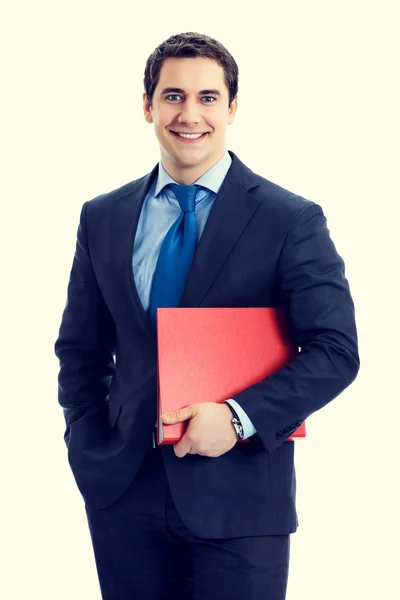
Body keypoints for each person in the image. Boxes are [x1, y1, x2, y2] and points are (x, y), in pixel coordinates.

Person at [54, 31, 359, 600]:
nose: (189, 114)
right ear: (147, 106)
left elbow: (335, 351)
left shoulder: (289, 219)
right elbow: (80, 350)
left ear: (232, 108)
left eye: (207, 98)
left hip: (241, 501)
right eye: (172, 96)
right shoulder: (103, 217)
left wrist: (239, 416)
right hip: (124, 496)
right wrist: (88, 447)